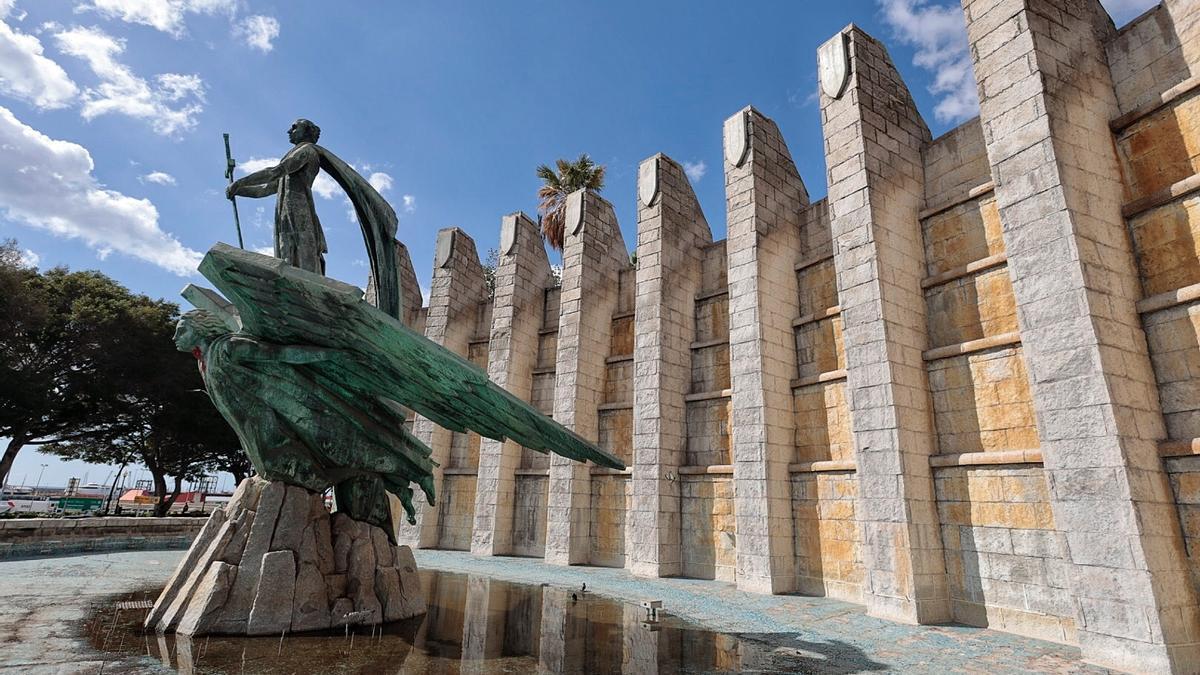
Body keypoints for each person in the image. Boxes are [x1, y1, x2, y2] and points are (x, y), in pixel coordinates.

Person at [226, 119, 328, 274]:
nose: (289, 131)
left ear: (306, 131)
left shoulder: (306, 151)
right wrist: (238, 191)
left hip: (300, 211)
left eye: (294, 128)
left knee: (303, 258)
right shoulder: (294, 156)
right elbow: (265, 189)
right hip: (286, 212)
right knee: (286, 255)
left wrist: (240, 182)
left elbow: (275, 172)